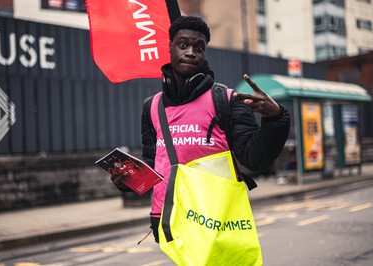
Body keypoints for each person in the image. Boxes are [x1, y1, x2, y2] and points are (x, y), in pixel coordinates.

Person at [112, 15, 290, 243]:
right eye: (183, 45)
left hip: (216, 222)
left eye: (199, 47)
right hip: (168, 220)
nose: (190, 52)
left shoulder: (226, 100)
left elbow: (255, 160)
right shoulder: (152, 107)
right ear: (170, 48)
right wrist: (128, 180)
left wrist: (275, 119)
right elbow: (155, 170)